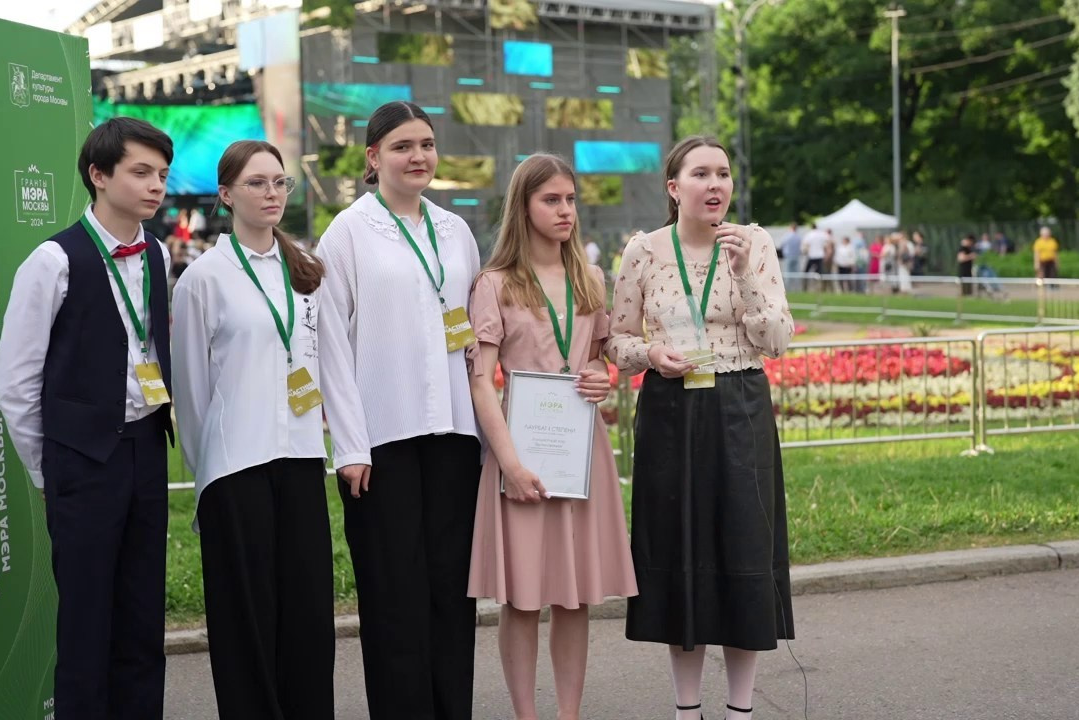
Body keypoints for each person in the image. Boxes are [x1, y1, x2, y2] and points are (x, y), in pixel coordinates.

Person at [0, 117, 174, 718]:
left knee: (143, 616)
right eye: (141, 172)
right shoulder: (53, 260)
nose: (156, 186)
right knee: (86, 622)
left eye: (162, 174)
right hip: (82, 461)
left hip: (147, 448)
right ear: (98, 175)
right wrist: (47, 468)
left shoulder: (158, 252)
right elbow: (15, 379)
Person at [608, 136, 795, 720]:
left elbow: (777, 340)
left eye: (723, 174)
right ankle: (686, 709)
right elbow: (616, 341)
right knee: (679, 548)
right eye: (701, 174)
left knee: (744, 545)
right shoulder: (643, 251)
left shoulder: (754, 243)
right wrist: (651, 355)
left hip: (740, 403)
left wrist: (743, 275)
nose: (715, 185)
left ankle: (740, 708)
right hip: (671, 408)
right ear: (674, 187)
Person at [316, 101, 482, 720]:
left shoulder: (455, 230)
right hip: (381, 441)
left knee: (452, 594)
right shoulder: (347, 233)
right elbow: (330, 345)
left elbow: (472, 329)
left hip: (455, 436)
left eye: (427, 144)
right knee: (393, 597)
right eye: (403, 146)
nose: (418, 157)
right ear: (373, 156)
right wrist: (350, 446)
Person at [466, 154, 639, 720]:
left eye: (569, 199)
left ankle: (569, 714)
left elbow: (598, 360)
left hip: (580, 452)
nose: (565, 210)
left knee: (574, 595)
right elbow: (481, 381)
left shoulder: (589, 278)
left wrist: (601, 375)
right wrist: (510, 465)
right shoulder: (494, 284)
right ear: (523, 206)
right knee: (521, 599)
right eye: (551, 200)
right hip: (519, 452)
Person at [170, 140, 334, 719]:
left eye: (279, 182)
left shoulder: (305, 270)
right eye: (257, 183)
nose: (272, 193)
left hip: (302, 459)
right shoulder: (203, 279)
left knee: (308, 613)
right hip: (235, 466)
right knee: (246, 620)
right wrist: (206, 470)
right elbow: (191, 391)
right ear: (225, 195)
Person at [778, 223, 802, 291]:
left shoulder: (787, 236)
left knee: (787, 273)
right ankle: (797, 288)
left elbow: (781, 245)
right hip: (796, 256)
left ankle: (787, 288)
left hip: (788, 256)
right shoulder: (798, 237)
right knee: (796, 274)